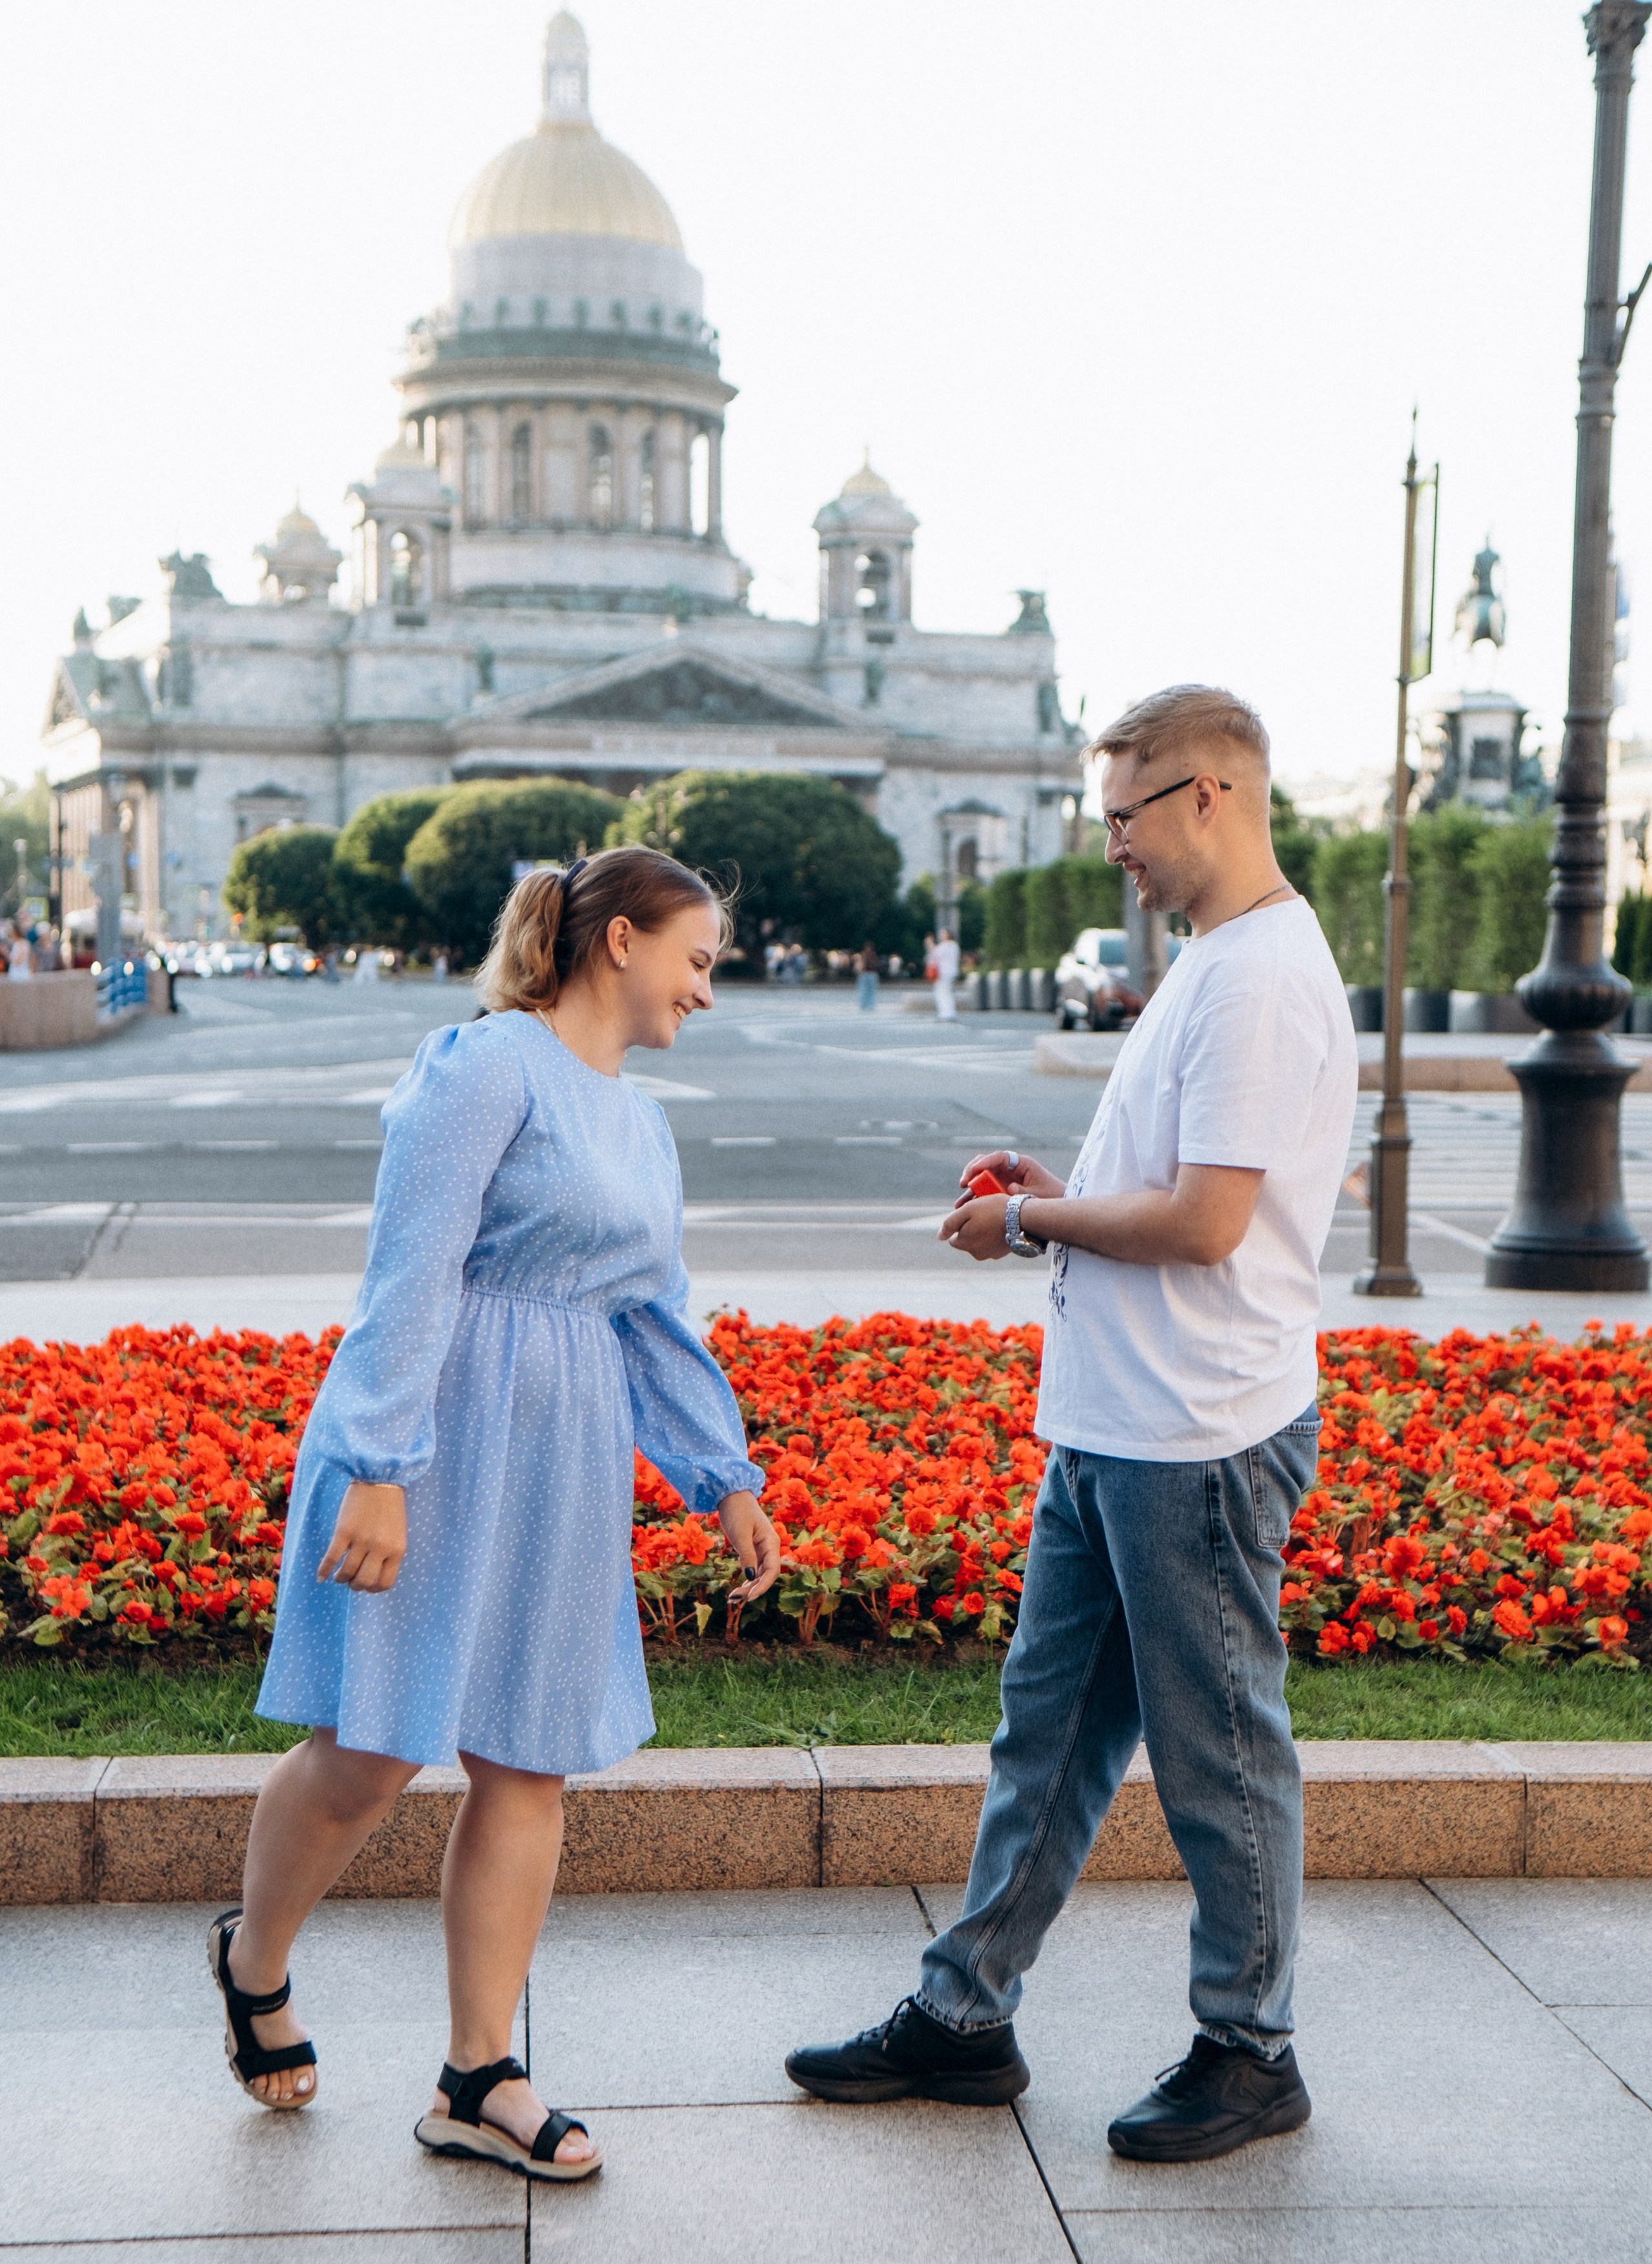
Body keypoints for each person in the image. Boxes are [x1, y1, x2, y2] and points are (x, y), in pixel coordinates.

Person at [785, 683, 1357, 2163]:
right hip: (1122, 1421)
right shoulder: (1214, 961)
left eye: (1123, 814)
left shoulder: (1255, 977)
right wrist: (1059, 1191)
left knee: (1218, 1758)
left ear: (1206, 795)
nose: (1110, 844)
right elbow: (1171, 1187)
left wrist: (1028, 1220)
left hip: (1196, 1430)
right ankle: (962, 2013)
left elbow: (1206, 1222)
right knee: (1042, 1741)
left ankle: (1250, 2049)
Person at [210, 848, 781, 2181]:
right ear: (623, 941)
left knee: (529, 1761)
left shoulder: (640, 1123)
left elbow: (650, 1312)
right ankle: (253, 1962)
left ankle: (477, 2077)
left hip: (562, 1454)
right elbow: (409, 1271)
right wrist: (377, 1464)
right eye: (698, 960)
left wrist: (723, 1477)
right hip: (436, 1431)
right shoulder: (484, 1068)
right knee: (370, 1753)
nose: (707, 991)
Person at [932, 925, 960, 1020]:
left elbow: (935, 954)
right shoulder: (954, 945)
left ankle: (945, 1013)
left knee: (942, 993)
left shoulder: (946, 945)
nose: (941, 935)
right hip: (950, 972)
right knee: (947, 992)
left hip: (943, 972)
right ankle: (949, 1012)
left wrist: (930, 944)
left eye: (943, 934)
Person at [855, 940, 880, 1012]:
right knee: (864, 990)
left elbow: (875, 965)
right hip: (865, 974)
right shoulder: (863, 955)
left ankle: (871, 1005)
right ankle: (863, 1005)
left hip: (871, 974)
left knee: (871, 991)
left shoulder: (873, 955)